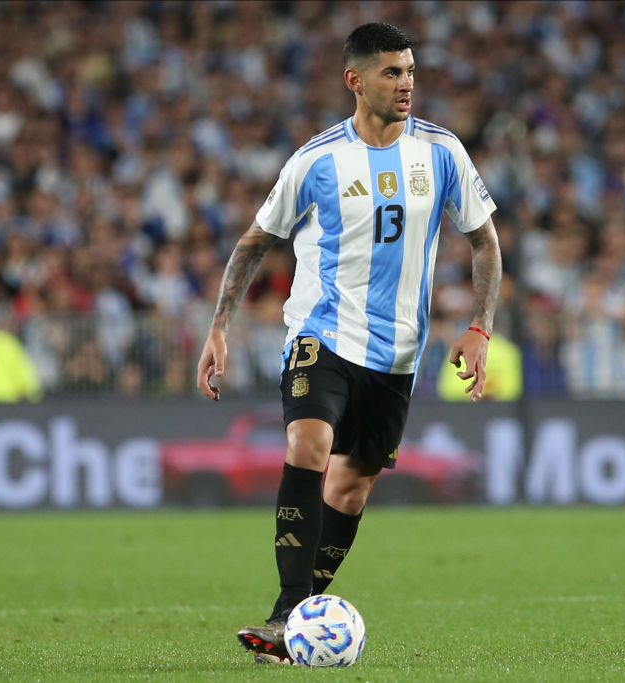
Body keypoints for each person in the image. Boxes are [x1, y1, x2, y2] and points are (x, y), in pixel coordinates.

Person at [195, 23, 502, 664]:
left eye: (411, 70)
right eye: (392, 72)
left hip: (398, 353)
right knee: (309, 443)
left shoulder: (443, 152)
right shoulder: (316, 160)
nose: (407, 83)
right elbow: (254, 242)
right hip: (323, 333)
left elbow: (483, 240)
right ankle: (287, 613)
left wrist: (479, 326)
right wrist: (220, 326)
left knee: (352, 488)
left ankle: (299, 622)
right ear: (355, 80)